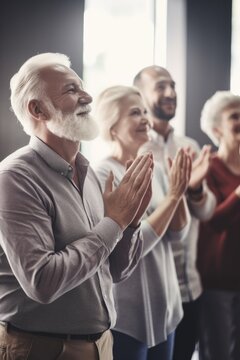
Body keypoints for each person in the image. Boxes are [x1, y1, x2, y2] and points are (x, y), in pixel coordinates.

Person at [0, 53, 154, 360]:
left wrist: (130, 222)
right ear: (37, 109)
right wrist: (115, 223)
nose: (88, 96)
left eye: (82, 87)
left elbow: (114, 270)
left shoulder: (88, 173)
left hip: (101, 345)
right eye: (72, 90)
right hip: (42, 349)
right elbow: (42, 282)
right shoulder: (14, 178)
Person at [94, 84, 192, 360]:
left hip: (167, 310)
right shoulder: (103, 174)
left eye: (145, 112)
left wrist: (179, 191)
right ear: (113, 125)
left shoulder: (156, 168)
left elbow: (177, 238)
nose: (146, 119)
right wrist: (172, 199)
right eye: (135, 113)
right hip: (127, 318)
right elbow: (131, 248)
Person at [133, 65, 216, 360]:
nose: (170, 93)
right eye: (159, 86)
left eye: (172, 86)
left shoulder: (189, 146)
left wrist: (194, 190)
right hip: (153, 292)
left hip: (191, 287)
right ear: (140, 95)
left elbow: (205, 212)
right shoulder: (134, 149)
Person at [197, 91, 240, 360]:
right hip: (218, 283)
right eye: (234, 116)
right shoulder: (207, 168)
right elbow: (213, 218)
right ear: (216, 129)